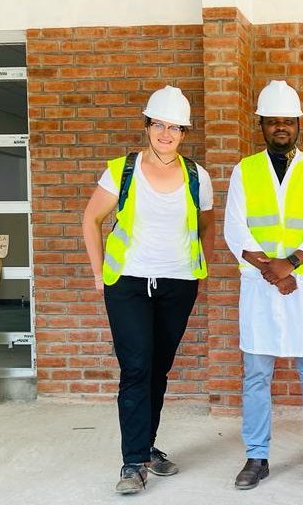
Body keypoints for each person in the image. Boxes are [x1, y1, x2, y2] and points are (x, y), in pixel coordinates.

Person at [81, 85, 214, 494]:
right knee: (136, 368)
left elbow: (207, 226)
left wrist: (200, 273)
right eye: (159, 124)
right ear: (147, 126)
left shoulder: (197, 175)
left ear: (184, 132)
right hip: (129, 285)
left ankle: (147, 446)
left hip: (177, 284)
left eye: (175, 127)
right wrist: (98, 273)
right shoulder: (122, 170)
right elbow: (91, 220)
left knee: (158, 368)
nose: (166, 134)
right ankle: (133, 462)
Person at [223, 80, 303, 490]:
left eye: (287, 121)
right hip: (260, 286)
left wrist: (288, 266)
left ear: (298, 124)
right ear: (261, 125)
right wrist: (272, 271)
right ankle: (257, 456)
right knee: (256, 373)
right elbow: (235, 230)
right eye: (272, 121)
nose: (280, 128)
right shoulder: (245, 170)